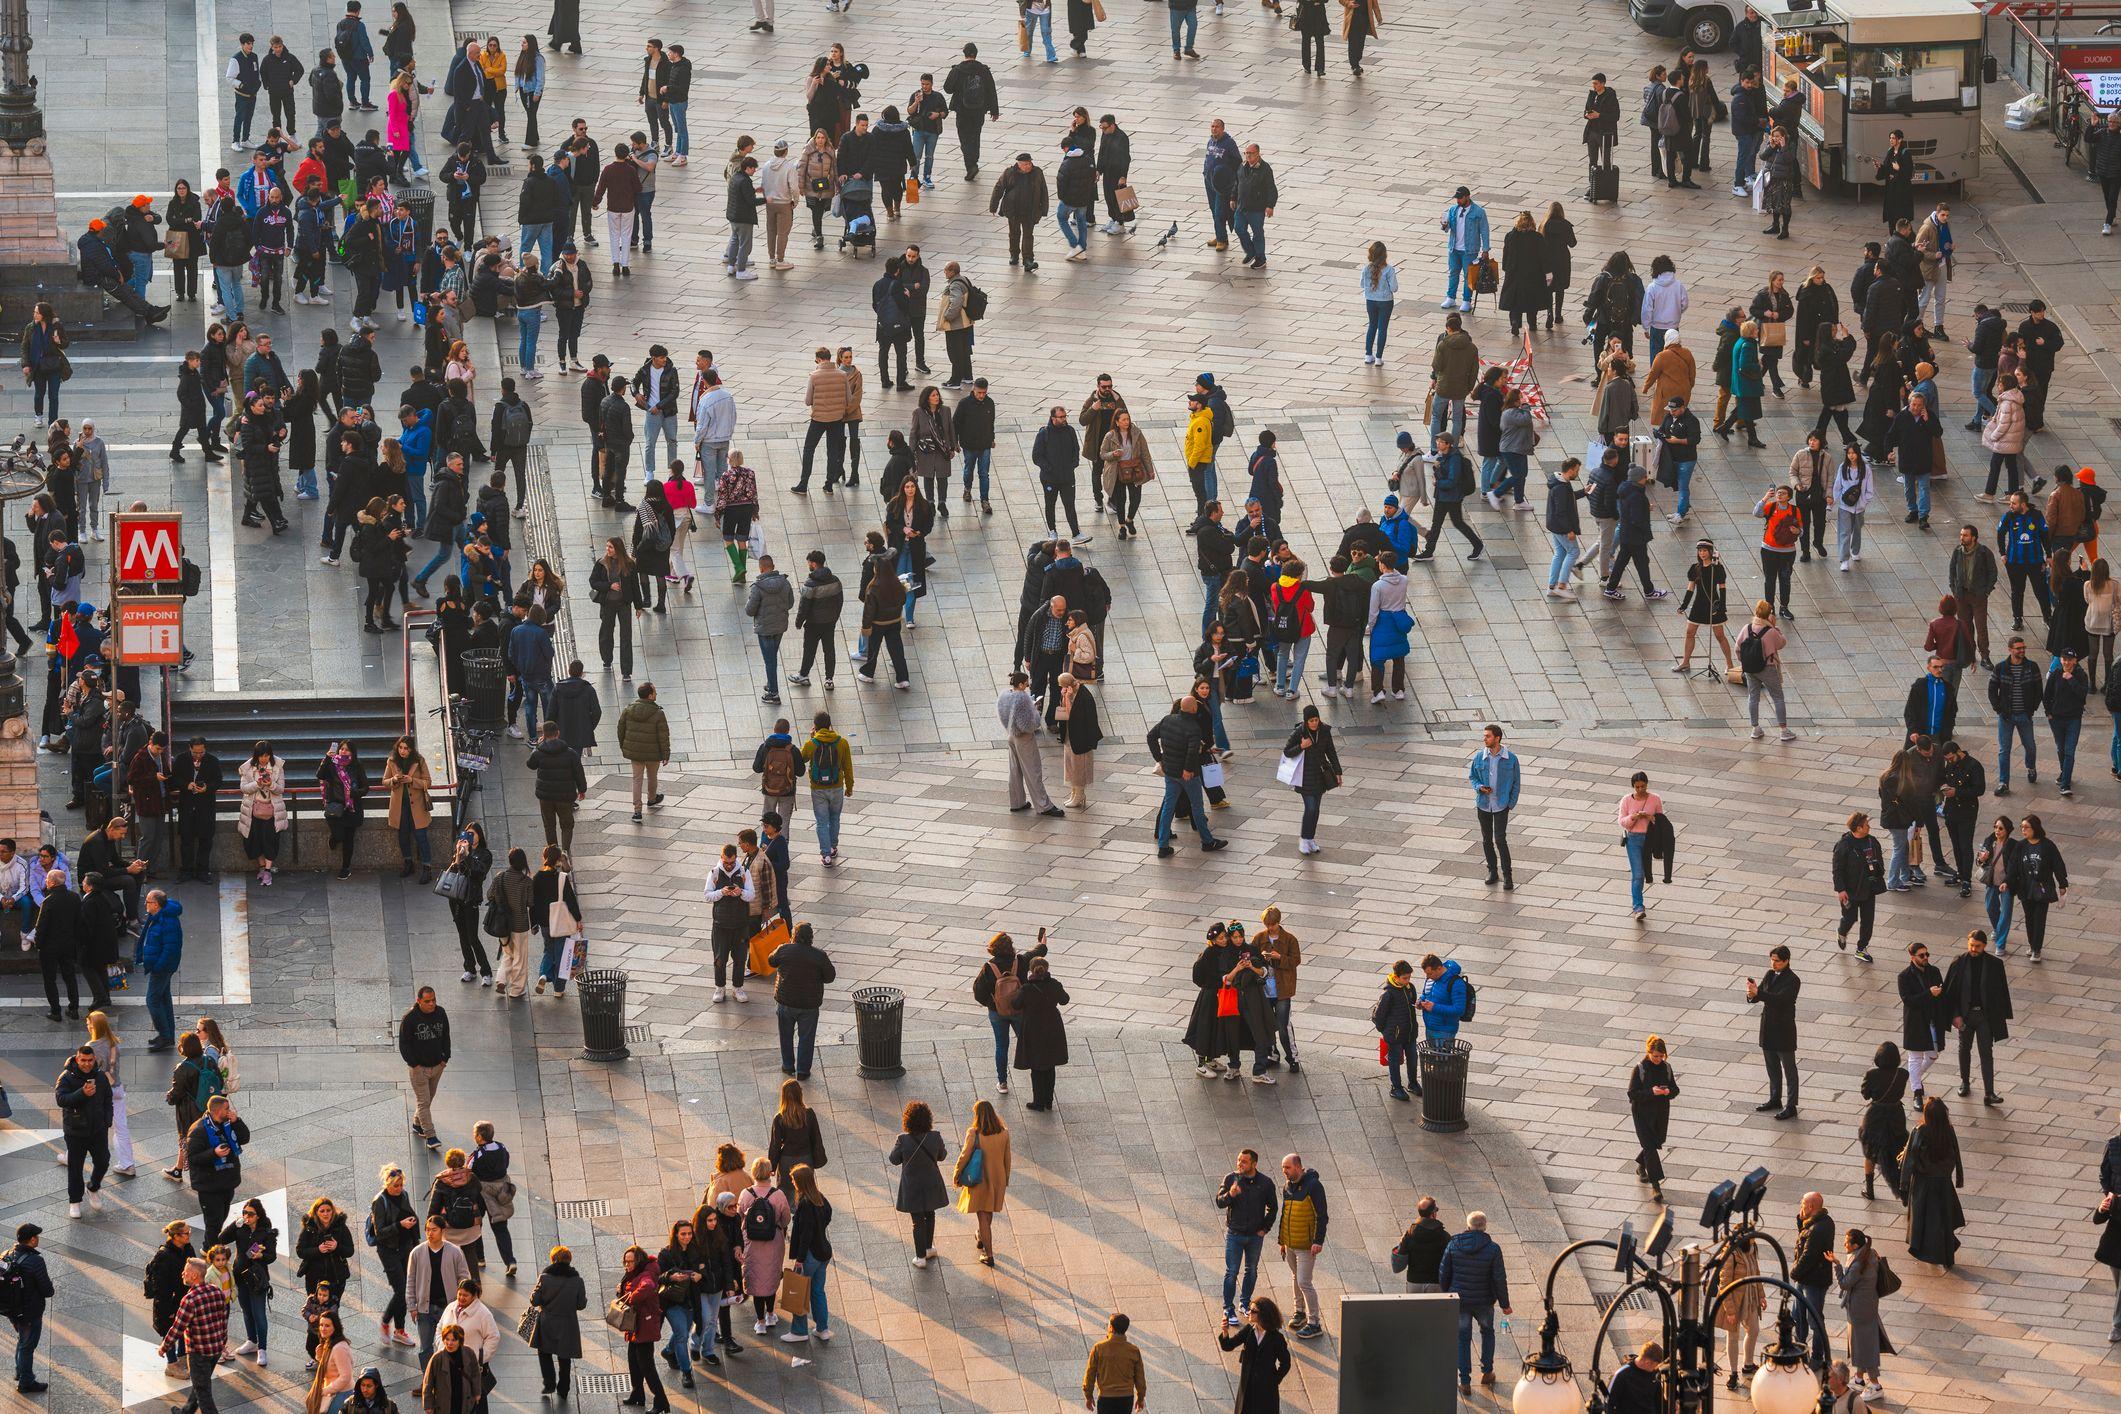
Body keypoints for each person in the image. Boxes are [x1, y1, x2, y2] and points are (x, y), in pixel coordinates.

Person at [1439, 1212, 1511, 1392]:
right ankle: (1487, 1372)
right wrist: (1505, 1304)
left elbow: (1444, 1272)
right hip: (1484, 1301)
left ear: (1468, 1225)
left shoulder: (1453, 1245)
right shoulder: (1493, 1249)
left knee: (1462, 1338)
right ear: (1485, 1226)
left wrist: (1447, 1294)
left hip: (1460, 1301)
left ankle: (1464, 1381)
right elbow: (1499, 1278)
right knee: (1487, 1332)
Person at [1214, 1150, 1277, 1327]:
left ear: (1254, 1164)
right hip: (1235, 1234)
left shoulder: (1265, 1183)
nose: (1240, 1164)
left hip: (1255, 1236)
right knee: (1231, 1271)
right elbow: (1219, 1202)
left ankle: (1244, 1302)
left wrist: (1265, 1228)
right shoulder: (1230, 1179)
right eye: (1239, 1160)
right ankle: (1228, 1307)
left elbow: (1273, 1208)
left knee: (1252, 1270)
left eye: (1244, 1162)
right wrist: (1230, 1195)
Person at [160, 1256, 230, 1412]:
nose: (182, 1274)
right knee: (200, 1384)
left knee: (203, 1392)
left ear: (194, 1275)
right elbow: (224, 1319)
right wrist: (223, 1341)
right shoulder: (216, 1291)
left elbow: (177, 1328)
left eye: (185, 1272)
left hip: (199, 1353)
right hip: (216, 1349)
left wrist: (164, 1347)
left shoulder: (189, 1300)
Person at [768, 922, 834, 1080]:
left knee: (786, 1035)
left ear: (793, 936)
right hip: (809, 1004)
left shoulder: (784, 950)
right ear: (811, 938)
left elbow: (771, 960)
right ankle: (803, 1071)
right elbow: (830, 977)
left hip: (786, 1001)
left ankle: (788, 1065)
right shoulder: (819, 956)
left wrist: (783, 946)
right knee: (807, 1038)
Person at [1904, 1098, 1965, 1270]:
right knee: (1943, 1219)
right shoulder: (1948, 1130)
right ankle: (1947, 1255)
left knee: (1926, 1220)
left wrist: (1904, 1184)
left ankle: (1930, 1252)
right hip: (1943, 1182)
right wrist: (1957, 1176)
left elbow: (1910, 1157)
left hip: (1923, 1183)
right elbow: (1956, 1155)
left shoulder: (1920, 1131)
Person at [1274, 1155, 1330, 1341]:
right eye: (1283, 1168)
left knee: (1304, 1281)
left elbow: (1322, 1216)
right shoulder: (1287, 1186)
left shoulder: (1313, 1186)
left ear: (1298, 1167)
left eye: (1287, 1167)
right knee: (1295, 1277)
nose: (1285, 1171)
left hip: (1306, 1245)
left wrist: (1318, 1241)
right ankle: (1300, 1312)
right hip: (1290, 1242)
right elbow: (1285, 1214)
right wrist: (1282, 1240)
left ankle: (1314, 1323)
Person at [1747, 945, 1801, 1119]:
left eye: (1777, 961)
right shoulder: (1770, 974)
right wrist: (1752, 993)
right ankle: (1774, 1098)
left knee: (1789, 1070)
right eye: (1772, 959)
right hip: (1768, 1029)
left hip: (1783, 1032)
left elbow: (1781, 1000)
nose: (1773, 963)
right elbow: (1759, 995)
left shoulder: (1793, 980)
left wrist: (1759, 994)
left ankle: (1791, 1105)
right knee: (1772, 1068)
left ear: (1786, 961)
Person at [1279, 705, 1340, 856]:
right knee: (1310, 808)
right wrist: (1301, 746)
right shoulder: (1299, 732)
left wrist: (1338, 772)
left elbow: (1331, 752)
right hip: (1304, 776)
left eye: (1316, 720)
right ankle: (1304, 839)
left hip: (1320, 776)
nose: (1314, 723)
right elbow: (1287, 752)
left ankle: (1310, 839)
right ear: (1305, 721)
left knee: (1316, 809)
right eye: (1311, 720)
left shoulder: (1324, 731)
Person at [1215, 1298, 1292, 1413]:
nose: (1249, 1312)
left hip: (1266, 1390)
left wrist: (1273, 1381)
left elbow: (1286, 1363)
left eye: (1253, 1311)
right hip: (1247, 1386)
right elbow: (1229, 1346)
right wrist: (1225, 1331)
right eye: (1250, 1309)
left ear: (1263, 1315)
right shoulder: (1249, 1330)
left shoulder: (1276, 1338)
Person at [398, 986, 450, 1151]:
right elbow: (404, 1044)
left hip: (437, 1065)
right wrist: (414, 1064)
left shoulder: (441, 1013)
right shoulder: (410, 1019)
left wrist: (445, 1058)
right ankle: (430, 1135)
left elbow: (446, 1035)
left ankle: (417, 1124)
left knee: (428, 1099)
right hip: (419, 1069)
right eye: (427, 1001)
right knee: (424, 1101)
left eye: (434, 1000)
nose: (432, 1004)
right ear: (418, 1001)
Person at [1626, 1036, 1678, 1200]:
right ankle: (1656, 1186)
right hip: (1642, 1113)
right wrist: (1651, 1092)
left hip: (1661, 1113)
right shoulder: (1640, 1069)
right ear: (1648, 1053)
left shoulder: (1667, 1068)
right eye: (1655, 1056)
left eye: (1661, 1056)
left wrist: (1668, 1091)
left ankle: (1641, 1166)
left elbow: (1675, 1089)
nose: (1658, 1059)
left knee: (1658, 1141)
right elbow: (1632, 1093)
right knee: (1650, 1147)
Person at [1714, 1233, 1765, 1390]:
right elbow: (1724, 1285)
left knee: (1754, 1330)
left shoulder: (1751, 1249)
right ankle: (1733, 1373)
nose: (1754, 1240)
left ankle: (1748, 1364)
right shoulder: (1731, 1254)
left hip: (1750, 1298)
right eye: (1751, 1238)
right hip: (1735, 1301)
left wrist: (1761, 1295)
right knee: (1733, 1335)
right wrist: (1730, 1310)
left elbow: (1756, 1271)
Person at [1832, 812, 1885, 960]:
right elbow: (1837, 869)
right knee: (1850, 918)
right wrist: (1840, 890)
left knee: (1868, 920)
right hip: (1850, 890)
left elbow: (1879, 861)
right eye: (1866, 825)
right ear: (1858, 828)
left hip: (1869, 888)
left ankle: (1861, 948)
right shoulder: (1844, 845)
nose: (1869, 827)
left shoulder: (1872, 842)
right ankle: (1842, 932)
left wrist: (1877, 870)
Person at [1791, 1192, 1836, 1363]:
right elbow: (1803, 1238)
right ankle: (1800, 1349)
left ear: (1811, 1206)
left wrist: (1794, 1273)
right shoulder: (1816, 1222)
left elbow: (1808, 1255)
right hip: (1806, 1278)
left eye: (1803, 1204)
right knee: (1798, 1314)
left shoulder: (1818, 1228)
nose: (1801, 1206)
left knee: (1814, 1319)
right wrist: (1800, 1220)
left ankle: (1818, 1357)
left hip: (1813, 1281)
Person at [1605, 1341, 1665, 1414]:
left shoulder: (1654, 1373)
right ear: (1647, 1362)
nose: (1656, 1368)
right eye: (1656, 1365)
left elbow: (1660, 1402)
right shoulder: (1621, 1375)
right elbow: (1608, 1404)